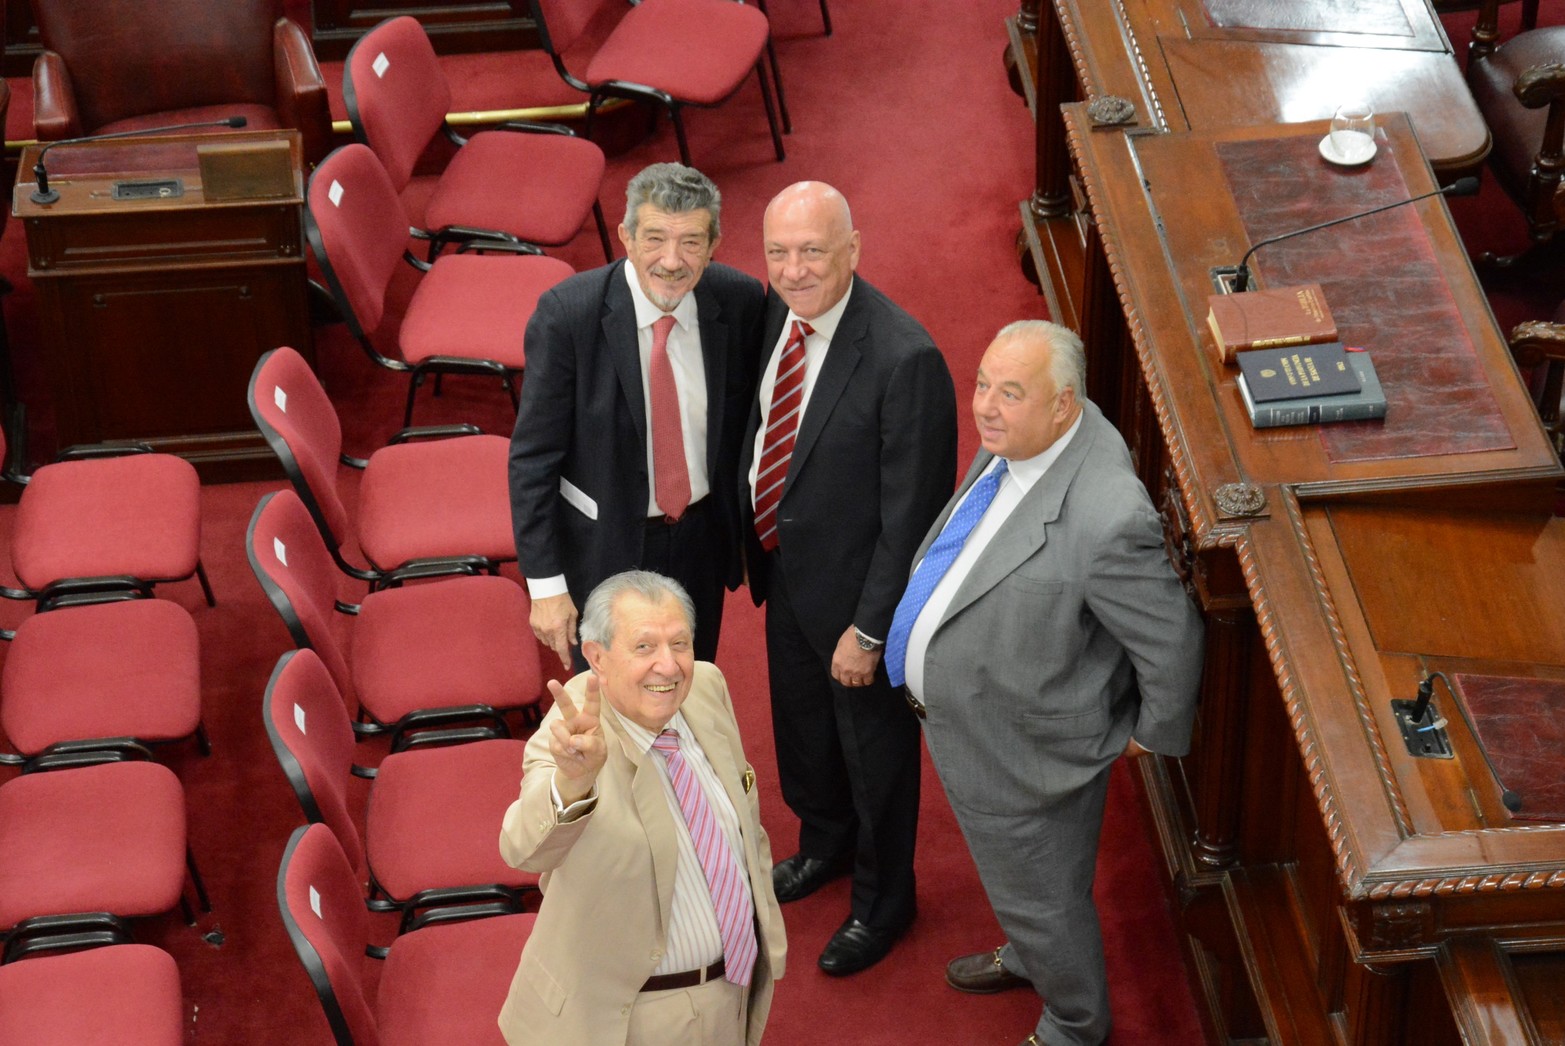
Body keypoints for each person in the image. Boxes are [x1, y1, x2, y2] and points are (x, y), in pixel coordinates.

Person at [883, 320, 1204, 1046]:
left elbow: (1171, 637)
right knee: (1025, 891)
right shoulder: (1033, 439)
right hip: (974, 727)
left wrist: (1151, 737)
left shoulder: (1106, 515)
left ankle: (1073, 1020)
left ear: (1063, 405)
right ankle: (1032, 957)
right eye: (982, 385)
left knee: (1043, 900)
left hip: (1022, 754)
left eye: (1010, 393)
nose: (985, 407)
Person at [740, 181, 957, 975]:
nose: (793, 270)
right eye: (777, 253)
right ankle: (823, 846)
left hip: (860, 606)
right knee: (801, 732)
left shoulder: (906, 358)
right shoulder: (775, 315)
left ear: (854, 251)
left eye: (812, 252)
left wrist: (870, 631)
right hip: (787, 576)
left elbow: (912, 520)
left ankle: (882, 902)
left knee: (876, 763)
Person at [497, 570, 786, 1045]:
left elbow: (743, 822)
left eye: (680, 644)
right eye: (644, 647)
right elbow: (524, 850)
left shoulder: (706, 687)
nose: (668, 667)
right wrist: (573, 781)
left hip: (733, 993)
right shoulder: (573, 727)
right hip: (630, 1017)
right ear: (597, 657)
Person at [509, 163, 765, 668]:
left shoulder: (739, 302)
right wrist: (545, 586)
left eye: (691, 242)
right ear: (625, 236)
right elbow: (533, 459)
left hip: (699, 541)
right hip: (602, 550)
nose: (672, 261)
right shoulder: (569, 316)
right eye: (655, 239)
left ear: (715, 243)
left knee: (685, 685)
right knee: (610, 708)